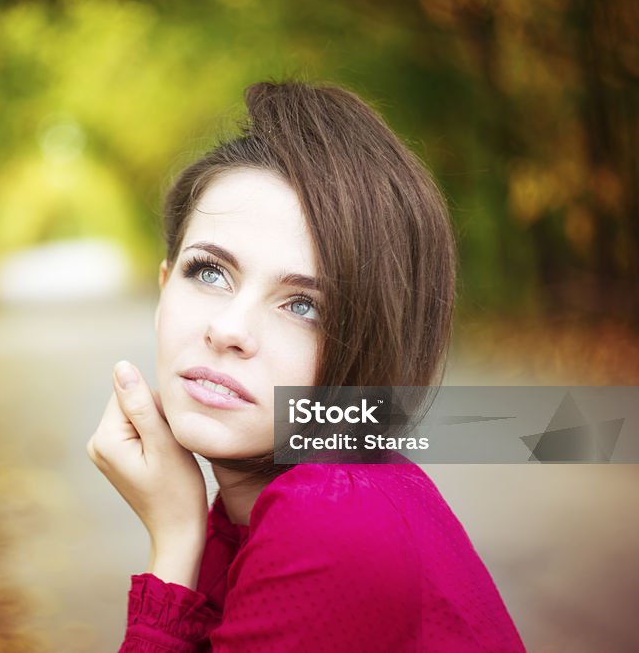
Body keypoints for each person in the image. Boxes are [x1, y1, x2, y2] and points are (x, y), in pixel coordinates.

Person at [87, 81, 525, 651]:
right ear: (165, 285)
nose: (229, 331)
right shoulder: (286, 507)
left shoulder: (332, 521)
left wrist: (174, 543)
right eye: (210, 273)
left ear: (368, 345)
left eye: (303, 306)